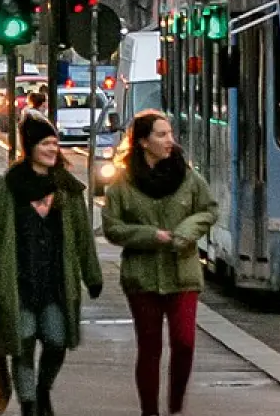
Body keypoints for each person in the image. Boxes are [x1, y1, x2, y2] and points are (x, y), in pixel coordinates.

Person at [0, 117, 104, 416]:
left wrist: (92, 277)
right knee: (22, 344)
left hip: (56, 283)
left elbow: (83, 239)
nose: (52, 149)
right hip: (17, 282)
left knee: (57, 341)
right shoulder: (7, 190)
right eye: (45, 143)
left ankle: (43, 388)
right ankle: (29, 404)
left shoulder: (68, 190)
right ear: (29, 147)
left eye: (55, 143)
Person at [104, 111, 219, 416]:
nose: (170, 140)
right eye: (161, 135)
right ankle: (150, 411)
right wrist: (150, 236)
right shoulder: (123, 182)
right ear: (143, 142)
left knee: (184, 342)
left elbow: (208, 210)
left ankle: (176, 406)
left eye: (169, 134)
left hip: (183, 272)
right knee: (150, 347)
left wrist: (184, 233)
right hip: (142, 278)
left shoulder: (188, 176)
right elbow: (112, 228)